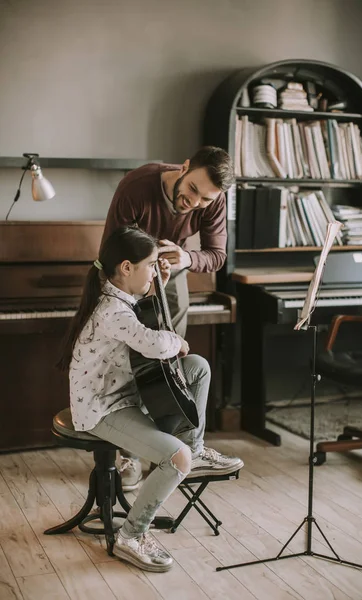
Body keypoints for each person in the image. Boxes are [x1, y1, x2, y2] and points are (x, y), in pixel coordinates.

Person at [58, 226, 243, 572]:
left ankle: (196, 449)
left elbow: (150, 319)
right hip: (102, 408)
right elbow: (156, 344)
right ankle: (131, 535)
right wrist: (176, 341)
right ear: (126, 267)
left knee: (198, 368)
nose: (156, 270)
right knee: (175, 458)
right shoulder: (112, 310)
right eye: (151, 264)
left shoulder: (122, 295)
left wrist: (159, 280)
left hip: (127, 393)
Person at [101, 146, 235, 490]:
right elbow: (112, 251)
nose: (195, 202)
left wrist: (185, 259)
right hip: (126, 273)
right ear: (184, 167)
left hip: (172, 271)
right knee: (127, 364)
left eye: (205, 200)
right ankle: (128, 452)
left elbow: (216, 255)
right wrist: (145, 266)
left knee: (168, 365)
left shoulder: (213, 198)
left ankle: (175, 450)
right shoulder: (136, 187)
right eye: (192, 190)